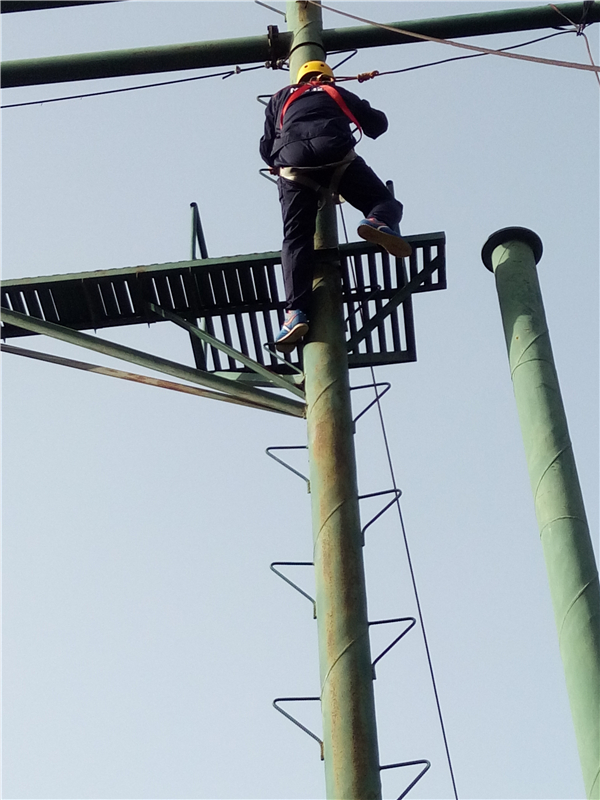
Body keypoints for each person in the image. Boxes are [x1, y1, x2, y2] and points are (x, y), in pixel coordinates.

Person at [260, 59, 411, 352]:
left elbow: (266, 147)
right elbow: (377, 125)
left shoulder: (280, 97)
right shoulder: (335, 91)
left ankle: (294, 314)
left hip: (293, 164)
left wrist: (278, 160)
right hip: (335, 155)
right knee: (383, 201)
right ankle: (376, 221)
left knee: (296, 239)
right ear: (327, 77)